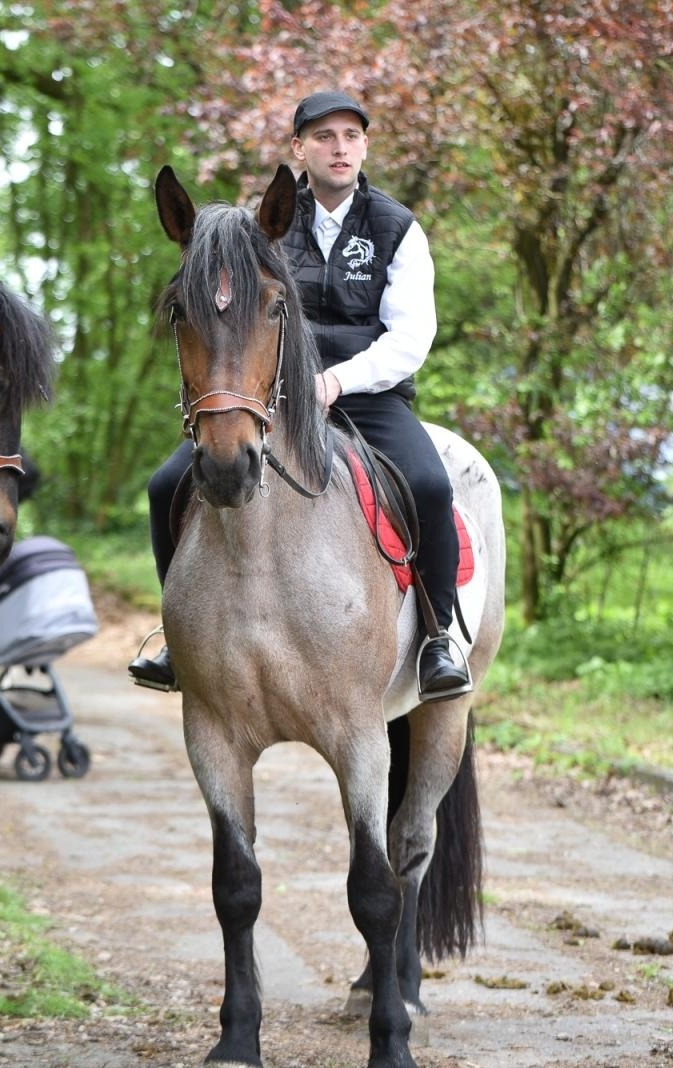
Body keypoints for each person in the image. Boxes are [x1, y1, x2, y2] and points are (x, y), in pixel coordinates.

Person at [129, 89, 471, 703]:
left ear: (365, 145)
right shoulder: (268, 227)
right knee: (164, 486)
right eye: (323, 137)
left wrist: (337, 380)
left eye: (350, 136)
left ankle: (436, 640)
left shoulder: (397, 228)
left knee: (430, 484)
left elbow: (413, 336)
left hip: (368, 396)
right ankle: (176, 638)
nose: (339, 148)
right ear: (299, 148)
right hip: (275, 397)